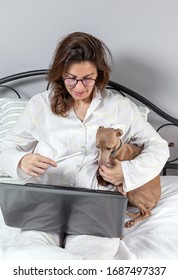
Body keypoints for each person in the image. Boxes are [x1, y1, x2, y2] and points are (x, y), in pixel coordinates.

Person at [0, 31, 169, 259]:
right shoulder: (39, 105)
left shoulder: (120, 107)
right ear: (61, 75)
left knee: (90, 260)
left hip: (97, 204)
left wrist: (127, 173)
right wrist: (21, 160)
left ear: (99, 74)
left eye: (87, 78)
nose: (79, 87)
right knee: (33, 254)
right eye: (71, 78)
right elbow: (6, 147)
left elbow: (159, 148)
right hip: (46, 198)